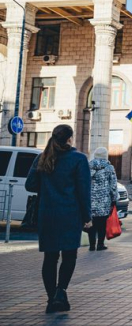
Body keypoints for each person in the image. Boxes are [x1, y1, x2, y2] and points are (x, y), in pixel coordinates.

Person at [25, 124, 91, 313]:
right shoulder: (78, 159)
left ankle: (51, 297)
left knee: (50, 257)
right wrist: (87, 216)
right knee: (69, 255)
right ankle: (61, 292)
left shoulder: (43, 157)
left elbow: (30, 185)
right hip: (70, 214)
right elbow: (83, 191)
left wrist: (48, 188)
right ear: (70, 138)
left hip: (47, 214)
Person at [87, 147, 119, 252]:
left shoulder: (88, 166)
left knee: (92, 223)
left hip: (91, 200)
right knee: (102, 223)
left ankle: (92, 245)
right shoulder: (109, 168)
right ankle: (100, 244)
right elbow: (113, 185)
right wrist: (114, 198)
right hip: (104, 201)